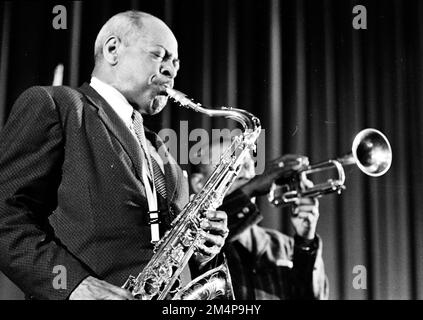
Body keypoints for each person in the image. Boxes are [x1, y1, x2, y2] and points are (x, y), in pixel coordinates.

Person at [0, 11, 229, 300]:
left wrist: (203, 249)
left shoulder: (160, 151)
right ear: (112, 50)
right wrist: (73, 285)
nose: (172, 70)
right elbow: (5, 214)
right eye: (160, 55)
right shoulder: (59, 106)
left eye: (176, 63)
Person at [190, 140, 329, 300]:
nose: (244, 174)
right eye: (230, 166)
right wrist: (251, 188)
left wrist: (305, 240)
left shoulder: (284, 245)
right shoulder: (196, 244)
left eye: (248, 165)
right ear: (199, 183)